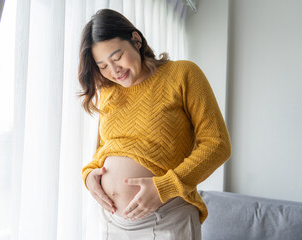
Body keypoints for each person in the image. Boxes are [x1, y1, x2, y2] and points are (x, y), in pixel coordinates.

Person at [78, 8, 231, 240]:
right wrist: (89, 175)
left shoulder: (182, 74)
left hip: (167, 219)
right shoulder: (107, 91)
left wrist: (165, 188)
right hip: (112, 222)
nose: (113, 70)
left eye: (117, 57)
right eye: (102, 65)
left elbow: (217, 144)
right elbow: (105, 148)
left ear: (136, 40)